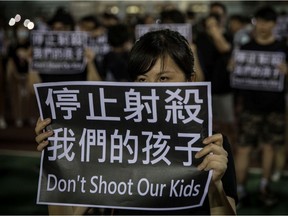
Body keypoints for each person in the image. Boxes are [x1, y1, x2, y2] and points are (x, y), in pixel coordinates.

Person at [35, 29, 237, 215]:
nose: (151, 89)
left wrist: (214, 186)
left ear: (190, 80)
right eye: (142, 79)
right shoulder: (110, 145)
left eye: (164, 78)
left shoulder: (211, 146)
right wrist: (55, 160)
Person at [233, 6, 288, 207]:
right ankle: (239, 190)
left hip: (275, 108)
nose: (263, 26)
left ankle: (265, 187)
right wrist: (233, 67)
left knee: (269, 148)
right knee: (244, 149)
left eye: (267, 22)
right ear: (255, 22)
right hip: (250, 107)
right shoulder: (246, 49)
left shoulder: (282, 48)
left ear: (274, 24)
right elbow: (234, 76)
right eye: (260, 21)